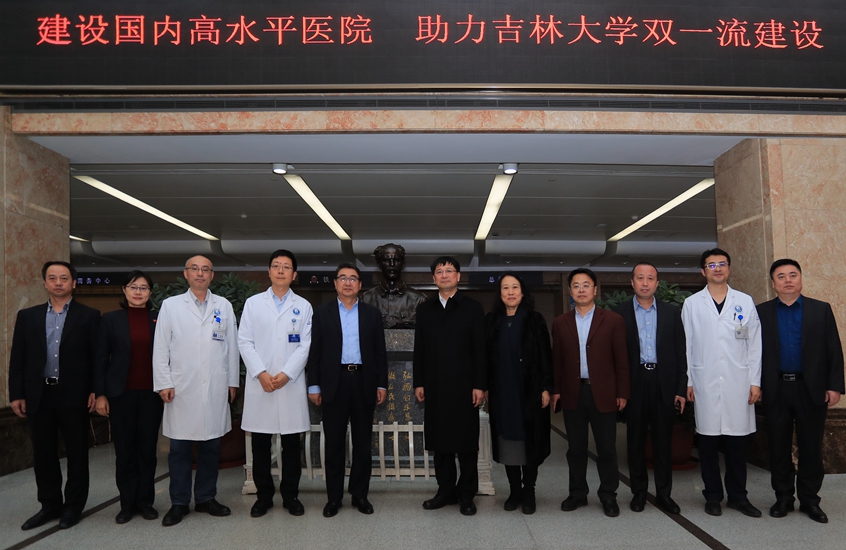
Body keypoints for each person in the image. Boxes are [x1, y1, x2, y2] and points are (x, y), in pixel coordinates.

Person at [9, 261, 100, 530]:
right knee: (43, 454)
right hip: (39, 394)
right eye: (52, 278)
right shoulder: (28, 316)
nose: (58, 282)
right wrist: (17, 393)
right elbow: (18, 358)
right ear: (45, 283)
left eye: (64, 278)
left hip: (75, 394)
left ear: (74, 283)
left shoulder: (89, 315)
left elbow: (97, 357)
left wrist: (96, 390)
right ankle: (49, 505)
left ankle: (73, 507)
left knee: (77, 454)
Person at [153, 255, 240, 526]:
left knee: (211, 447)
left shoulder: (223, 306)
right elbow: (161, 347)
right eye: (195, 269)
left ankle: (205, 498)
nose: (200, 273)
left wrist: (232, 381)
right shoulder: (171, 306)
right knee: (179, 449)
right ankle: (179, 502)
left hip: (215, 385)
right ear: (186, 274)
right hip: (181, 388)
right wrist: (164, 382)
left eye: (205, 269)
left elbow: (232, 347)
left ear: (212, 275)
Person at [757, 259, 844, 523]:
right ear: (773, 284)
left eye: (793, 275)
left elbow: (833, 349)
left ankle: (810, 500)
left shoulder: (820, 309)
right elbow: (751, 353)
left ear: (801, 279)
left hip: (811, 388)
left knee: (811, 447)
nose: (788, 280)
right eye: (781, 276)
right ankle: (783, 498)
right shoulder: (761, 312)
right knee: (778, 447)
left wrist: (835, 386)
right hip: (776, 388)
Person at [682, 248, 762, 518]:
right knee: (707, 445)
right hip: (704, 381)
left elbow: (754, 344)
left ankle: (739, 497)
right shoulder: (692, 304)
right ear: (703, 271)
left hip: (739, 382)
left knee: (737, 445)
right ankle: (713, 496)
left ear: (729, 268)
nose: (717, 268)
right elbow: (687, 345)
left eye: (722, 264)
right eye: (711, 265)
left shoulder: (745, 301)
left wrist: (755, 381)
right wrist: (689, 381)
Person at [307, 263, 388, 517]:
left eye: (353, 278)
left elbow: (380, 352)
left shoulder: (372, 314)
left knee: (363, 443)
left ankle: (360, 495)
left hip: (364, 381)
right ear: (335, 284)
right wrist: (314, 385)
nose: (348, 282)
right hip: (334, 382)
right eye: (342, 278)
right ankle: (334, 498)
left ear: (360, 285)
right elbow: (315, 352)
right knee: (334, 444)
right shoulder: (322, 313)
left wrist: (381, 383)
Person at [239, 250, 313, 518]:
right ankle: (264, 497)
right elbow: (244, 341)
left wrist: (286, 374)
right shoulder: (253, 304)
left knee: (291, 446)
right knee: (260, 446)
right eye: (276, 266)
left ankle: (291, 496)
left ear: (294, 275)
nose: (281, 271)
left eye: (286, 267)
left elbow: (305, 345)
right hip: (261, 384)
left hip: (289, 384)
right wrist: (260, 373)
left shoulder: (304, 306)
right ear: (269, 271)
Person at [552, 268, 629, 518]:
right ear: (570, 291)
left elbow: (621, 360)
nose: (581, 290)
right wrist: (556, 391)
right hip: (573, 393)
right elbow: (557, 361)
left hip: (604, 393)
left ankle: (608, 495)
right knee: (575, 448)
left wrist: (622, 392)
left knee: (606, 448)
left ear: (595, 290)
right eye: (576, 286)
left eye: (586, 285)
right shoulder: (560, 323)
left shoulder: (613, 320)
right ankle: (577, 493)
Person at [611, 263, 687, 515]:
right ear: (632, 282)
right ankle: (639, 493)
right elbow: (614, 355)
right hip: (634, 382)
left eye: (650, 278)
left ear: (657, 283)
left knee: (663, 442)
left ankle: (664, 494)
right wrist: (619, 390)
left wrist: (680, 388)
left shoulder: (671, 313)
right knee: (635, 442)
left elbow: (680, 352)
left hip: (663, 382)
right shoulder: (618, 314)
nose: (645, 283)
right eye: (640, 278)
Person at [414, 256, 487, 516]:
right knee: (440, 443)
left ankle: (467, 495)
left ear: (458, 276)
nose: (444, 275)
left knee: (466, 444)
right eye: (439, 271)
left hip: (465, 387)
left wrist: (479, 384)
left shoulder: (473, 308)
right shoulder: (425, 309)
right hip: (434, 386)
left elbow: (480, 349)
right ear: (433, 278)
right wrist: (419, 382)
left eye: (449, 270)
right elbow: (419, 349)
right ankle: (445, 491)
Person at [93, 270, 163, 524]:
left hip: (151, 395)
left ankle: (145, 502)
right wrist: (101, 394)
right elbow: (100, 359)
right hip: (120, 395)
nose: (138, 292)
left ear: (150, 293)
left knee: (147, 451)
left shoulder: (159, 319)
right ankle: (126, 504)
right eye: (133, 287)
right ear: (124, 290)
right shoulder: (110, 320)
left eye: (143, 288)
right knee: (124, 453)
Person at [484, 273, 553, 515]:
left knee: (530, 442)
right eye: (505, 288)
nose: (511, 292)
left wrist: (546, 387)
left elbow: (546, 355)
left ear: (523, 293)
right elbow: (485, 358)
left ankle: (529, 490)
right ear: (500, 294)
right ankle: (514, 491)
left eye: (515, 287)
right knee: (507, 442)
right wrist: (485, 386)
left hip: (530, 392)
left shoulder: (535, 320)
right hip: (502, 392)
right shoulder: (492, 321)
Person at [360, 243, 428, 328]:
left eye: (397, 260)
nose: (392, 264)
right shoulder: (366, 299)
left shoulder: (419, 300)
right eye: (386, 260)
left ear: (403, 264)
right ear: (379, 264)